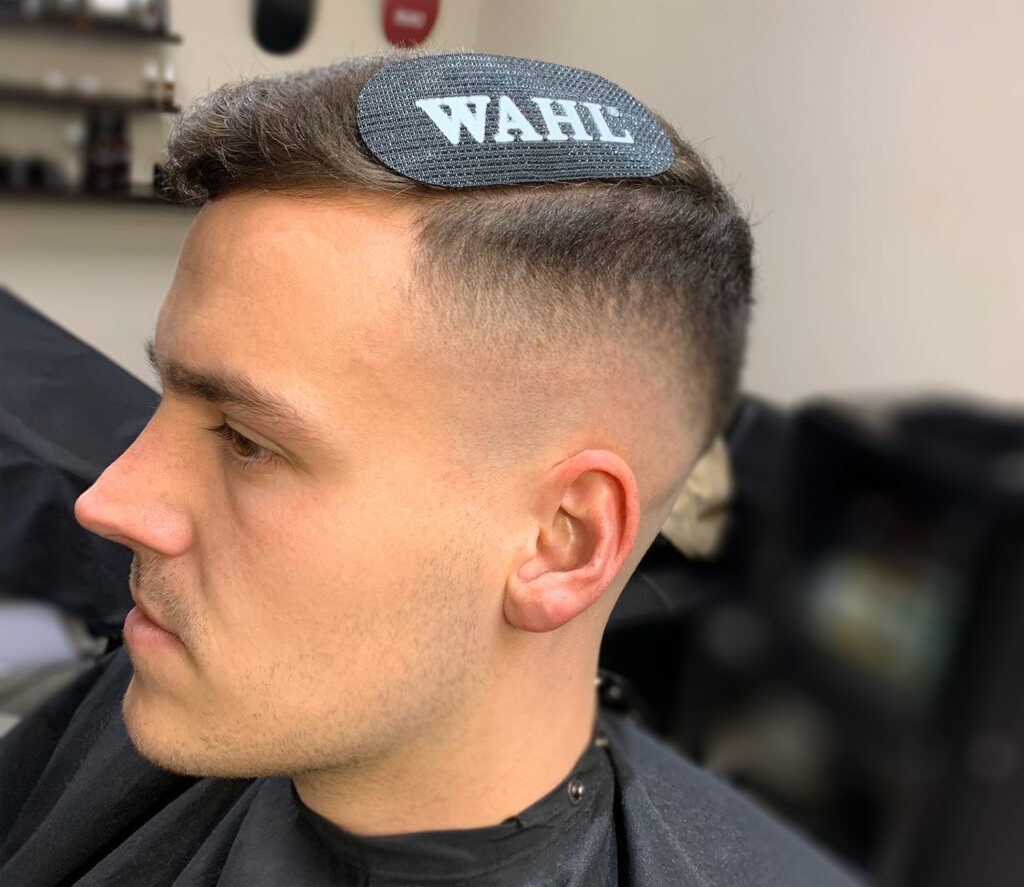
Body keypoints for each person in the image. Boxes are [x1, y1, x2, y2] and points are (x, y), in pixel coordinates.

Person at [0, 51, 859, 886]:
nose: (108, 501)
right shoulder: (164, 681)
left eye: (246, 440)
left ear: (561, 542)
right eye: (168, 397)